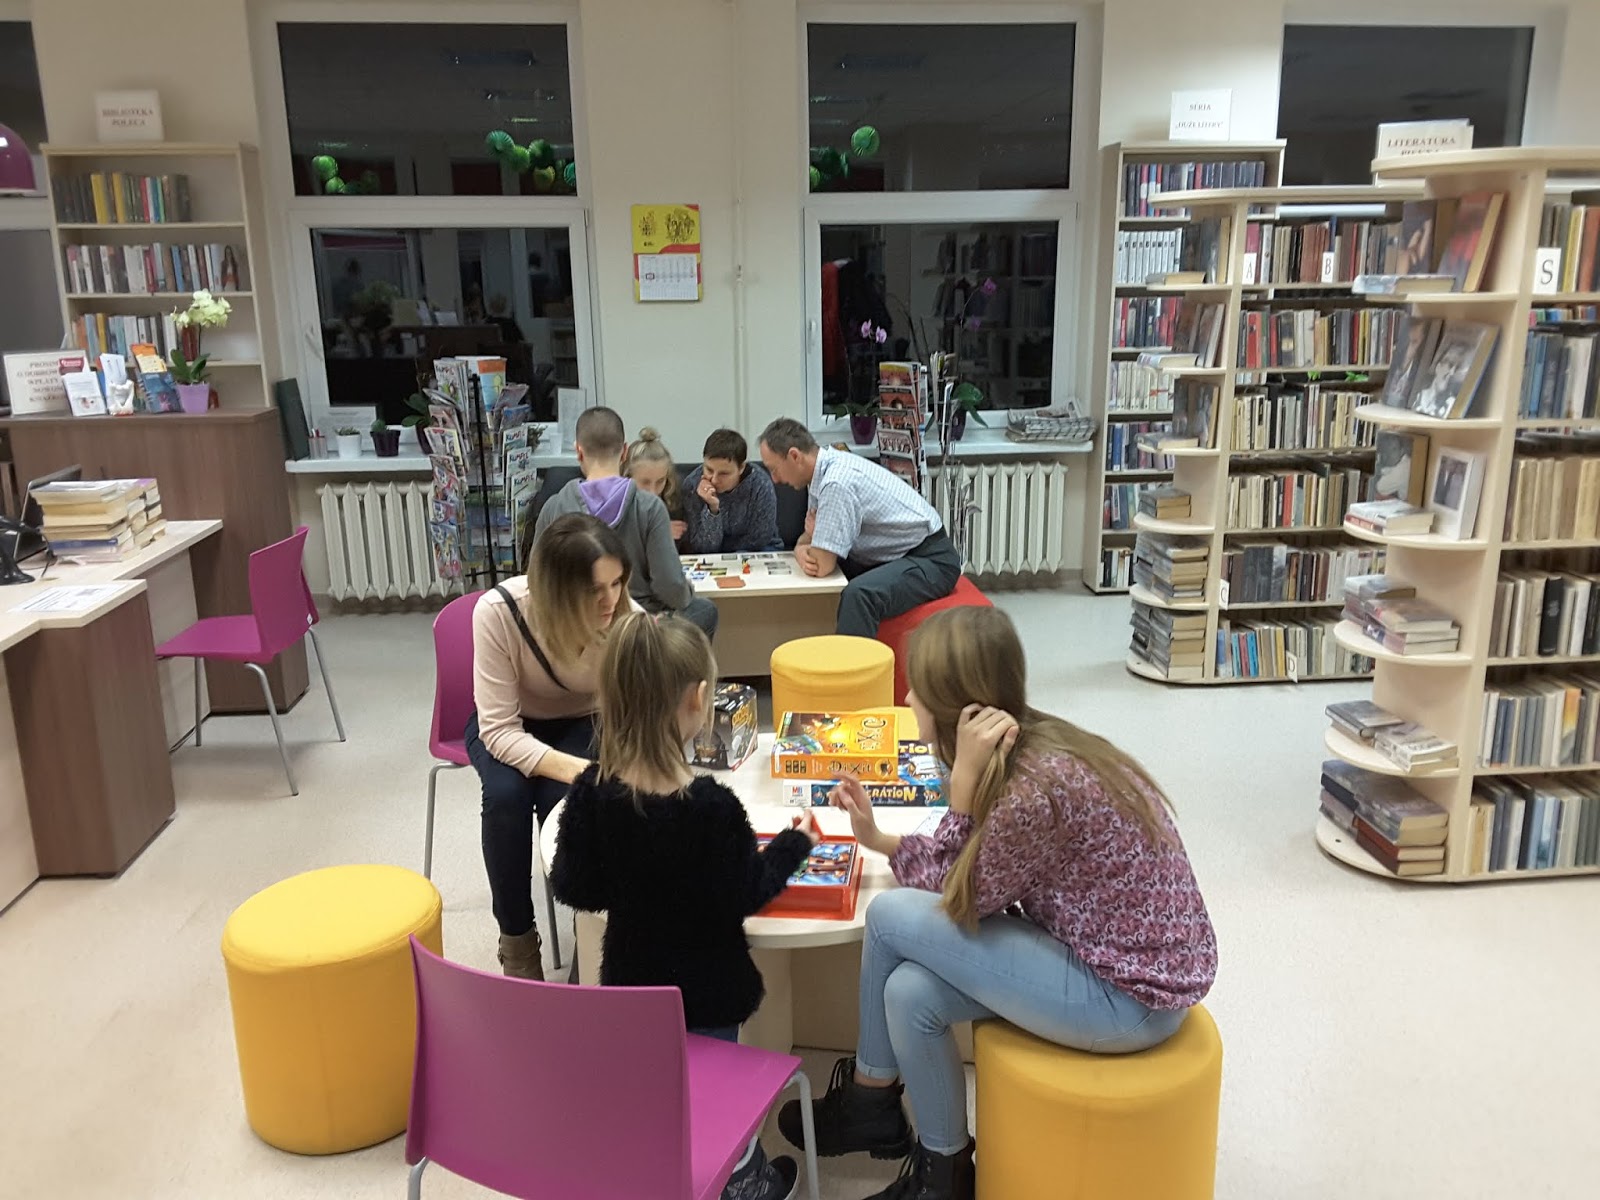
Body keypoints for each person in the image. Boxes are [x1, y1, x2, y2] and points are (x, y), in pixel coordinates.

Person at [778, 606, 1217, 1200]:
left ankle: (869, 1100)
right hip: (1114, 966)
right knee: (908, 993)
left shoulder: (1030, 794)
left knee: (887, 916)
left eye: (919, 690)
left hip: (1128, 999)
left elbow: (958, 896)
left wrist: (959, 796)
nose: (907, 700)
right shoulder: (1037, 744)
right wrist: (880, 838)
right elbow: (975, 879)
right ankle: (945, 1173)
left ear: (957, 711)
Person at [550, 612, 822, 1200]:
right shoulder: (712, 808)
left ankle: (663, 1170)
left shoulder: (592, 794)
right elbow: (747, 891)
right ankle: (743, 1179)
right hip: (710, 991)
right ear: (699, 700)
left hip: (634, 988)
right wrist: (795, 843)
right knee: (717, 1096)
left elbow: (574, 887)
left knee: (658, 1090)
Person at [467, 513, 632, 981]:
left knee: (570, 803)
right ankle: (517, 941)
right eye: (594, 590)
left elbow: (637, 709)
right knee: (505, 799)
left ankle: (589, 939)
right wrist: (580, 770)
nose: (610, 600)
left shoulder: (627, 619)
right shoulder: (499, 611)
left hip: (583, 719)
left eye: (617, 582)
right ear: (555, 591)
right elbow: (498, 730)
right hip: (507, 722)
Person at [758, 418, 959, 638]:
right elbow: (807, 539)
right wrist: (801, 548)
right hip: (898, 553)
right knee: (839, 567)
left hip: (931, 560)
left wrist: (808, 545)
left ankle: (851, 661)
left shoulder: (836, 483)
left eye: (774, 469)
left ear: (795, 456)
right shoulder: (821, 472)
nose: (774, 479)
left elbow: (820, 564)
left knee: (859, 595)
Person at [536, 406, 718, 640]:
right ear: (624, 452)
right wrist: (686, 593)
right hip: (637, 625)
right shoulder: (650, 507)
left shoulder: (553, 507)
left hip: (575, 626)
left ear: (579, 452)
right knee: (705, 610)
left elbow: (537, 583)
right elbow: (670, 587)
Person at [684, 428, 783, 555]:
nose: (714, 480)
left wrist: (724, 548)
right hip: (713, 556)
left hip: (761, 550)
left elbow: (759, 539)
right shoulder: (692, 485)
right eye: (709, 470)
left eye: (724, 474)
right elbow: (703, 547)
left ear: (741, 468)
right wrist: (712, 510)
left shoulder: (760, 484)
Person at [624, 427, 689, 546]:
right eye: (645, 482)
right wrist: (658, 532)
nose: (653, 492)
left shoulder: (674, 498)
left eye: (660, 481)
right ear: (627, 478)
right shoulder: (616, 503)